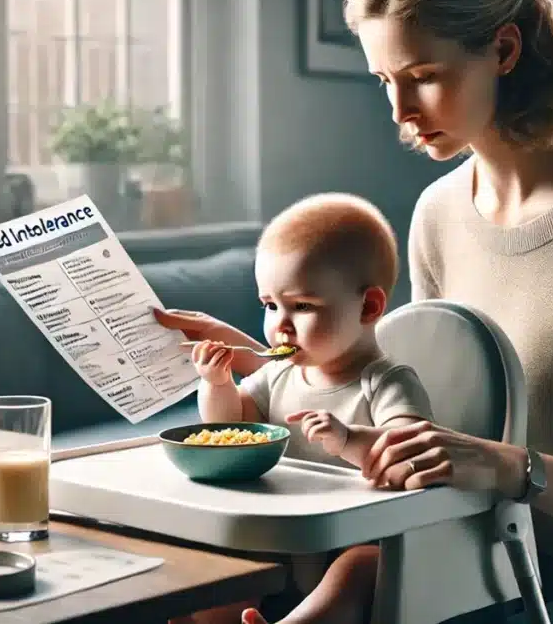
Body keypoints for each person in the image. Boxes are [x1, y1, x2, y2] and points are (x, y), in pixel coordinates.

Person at [155, 0, 553, 622]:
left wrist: (505, 466)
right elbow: (411, 402)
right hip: (465, 557)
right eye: (385, 79)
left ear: (503, 51)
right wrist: (270, 354)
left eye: (423, 75)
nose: (399, 109)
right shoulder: (438, 213)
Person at [164, 192, 436, 624]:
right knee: (227, 553)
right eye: (270, 305)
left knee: (360, 568)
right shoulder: (280, 374)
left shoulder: (386, 381)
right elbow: (231, 424)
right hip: (283, 530)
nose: (280, 325)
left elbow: (409, 450)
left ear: (368, 306)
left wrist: (348, 440)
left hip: (361, 536)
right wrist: (217, 383)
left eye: (302, 306)